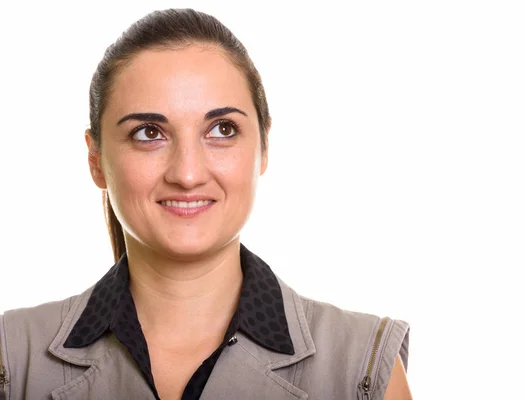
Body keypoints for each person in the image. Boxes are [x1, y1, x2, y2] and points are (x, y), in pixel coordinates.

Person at [0, 8, 411, 400]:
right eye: (148, 133)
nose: (188, 173)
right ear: (96, 161)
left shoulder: (363, 366)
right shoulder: (13, 358)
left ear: (263, 147)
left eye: (222, 129)